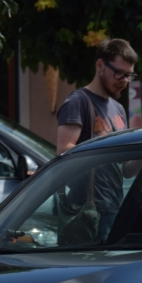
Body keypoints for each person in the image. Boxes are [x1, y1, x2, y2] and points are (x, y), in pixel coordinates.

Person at [54, 39, 137, 241]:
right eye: (119, 73)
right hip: (87, 211)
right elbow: (64, 152)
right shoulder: (78, 102)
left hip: (114, 207)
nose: (124, 80)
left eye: (128, 75)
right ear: (100, 65)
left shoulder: (118, 109)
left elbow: (125, 169)